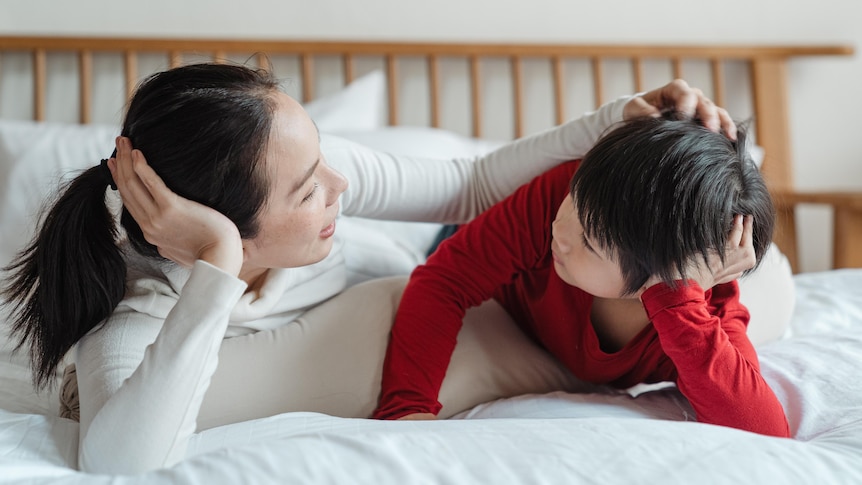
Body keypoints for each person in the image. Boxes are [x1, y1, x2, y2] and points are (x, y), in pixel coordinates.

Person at [0, 62, 734, 474]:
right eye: (309, 187)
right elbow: (119, 462)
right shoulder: (132, 312)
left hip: (457, 253)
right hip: (442, 280)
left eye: (325, 158)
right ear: (228, 227)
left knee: (731, 272)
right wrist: (218, 266)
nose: (341, 187)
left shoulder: (316, 174)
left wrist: (616, 122)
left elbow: (473, 185)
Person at [373, 114, 791, 438]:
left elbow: (767, 432)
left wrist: (678, 300)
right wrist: (407, 408)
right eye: (575, 199)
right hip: (471, 236)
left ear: (661, 278)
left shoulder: (700, 308)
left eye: (591, 242)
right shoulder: (560, 198)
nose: (563, 230)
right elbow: (445, 278)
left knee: (776, 282)